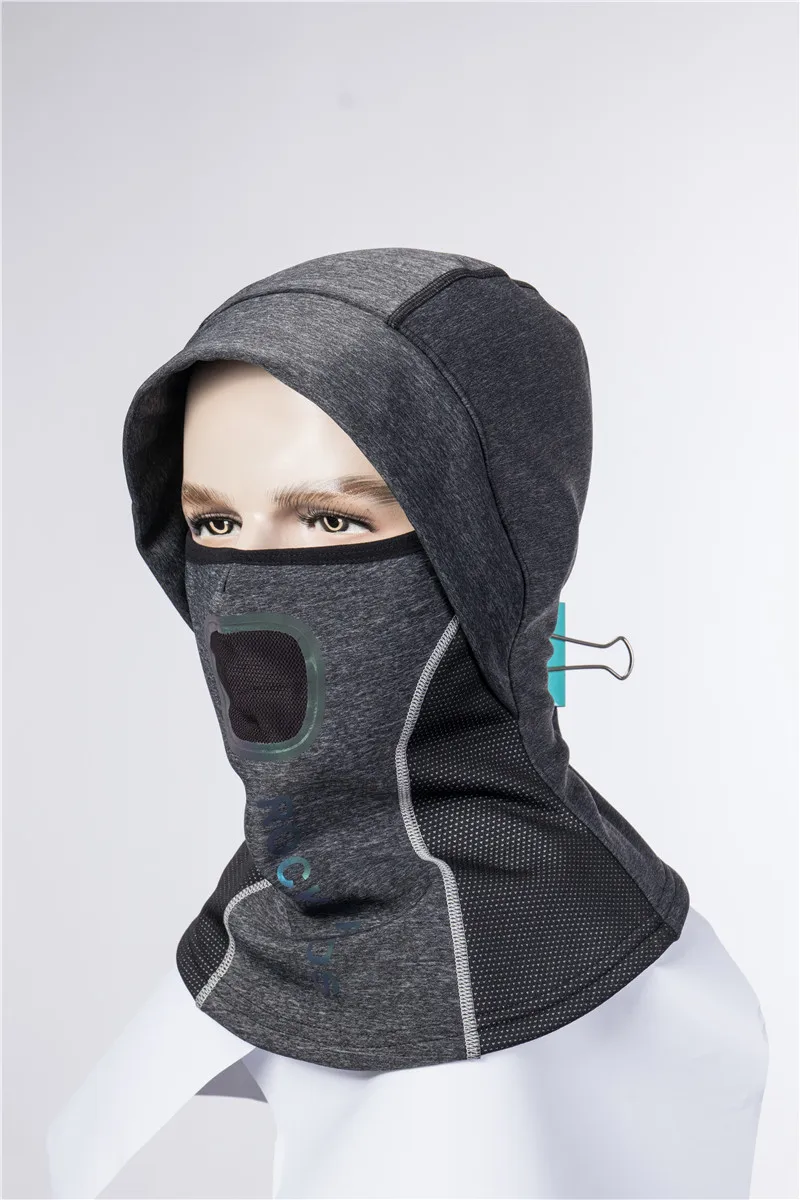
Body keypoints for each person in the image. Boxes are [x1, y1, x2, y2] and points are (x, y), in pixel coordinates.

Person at [46, 248, 769, 1199]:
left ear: (490, 548)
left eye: (329, 521)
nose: (244, 589)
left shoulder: (575, 1002)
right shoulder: (263, 906)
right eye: (214, 525)